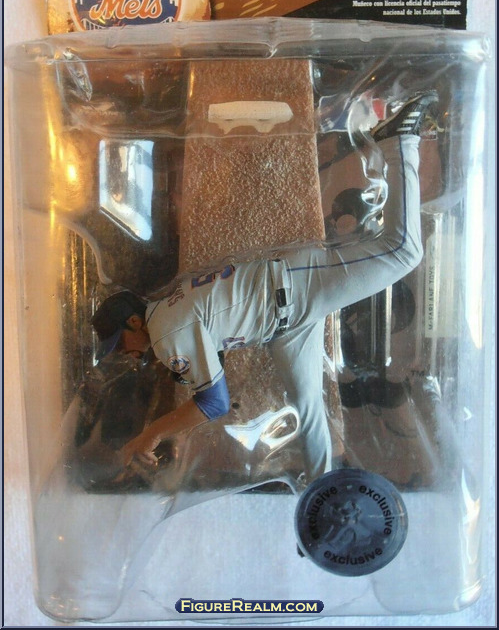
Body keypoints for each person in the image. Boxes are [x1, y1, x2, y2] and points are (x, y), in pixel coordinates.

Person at [91, 91, 438, 481]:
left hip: (297, 287)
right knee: (308, 409)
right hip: (284, 325)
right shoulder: (167, 313)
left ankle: (398, 141)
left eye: (119, 341)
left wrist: (151, 434)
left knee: (404, 252)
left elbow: (214, 402)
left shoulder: (165, 332)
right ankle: (322, 487)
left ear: (133, 322)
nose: (123, 352)